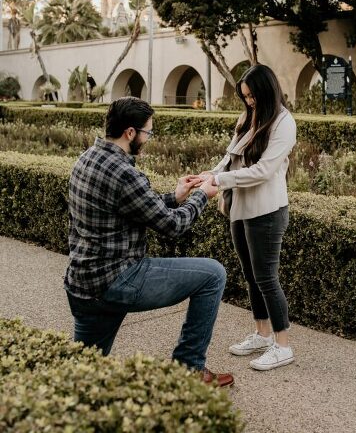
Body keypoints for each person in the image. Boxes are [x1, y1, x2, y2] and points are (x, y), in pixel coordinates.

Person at [64, 96, 233, 387]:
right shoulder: (126, 174)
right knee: (213, 274)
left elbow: (133, 206)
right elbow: (173, 225)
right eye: (148, 133)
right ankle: (189, 369)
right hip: (116, 280)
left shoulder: (87, 158)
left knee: (80, 379)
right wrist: (201, 196)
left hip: (82, 284)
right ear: (131, 132)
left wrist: (175, 196)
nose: (148, 139)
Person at [199, 64, 297, 371]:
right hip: (239, 209)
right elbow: (230, 158)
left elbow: (264, 170)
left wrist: (220, 182)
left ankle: (282, 345)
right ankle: (262, 334)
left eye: (253, 95)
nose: (250, 101)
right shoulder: (247, 118)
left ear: (266, 90)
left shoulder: (283, 123)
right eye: (245, 97)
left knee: (267, 278)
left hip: (268, 211)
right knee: (251, 275)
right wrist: (209, 174)